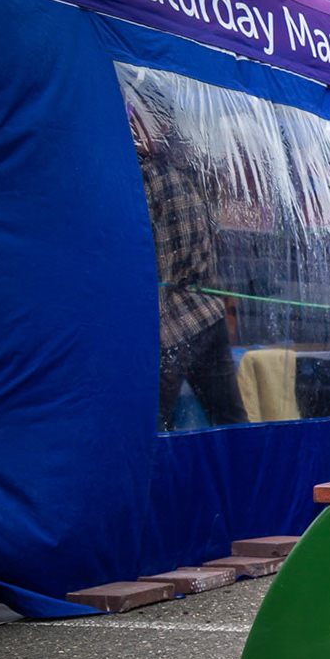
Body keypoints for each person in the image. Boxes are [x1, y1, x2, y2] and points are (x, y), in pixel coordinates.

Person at [128, 93, 247, 431]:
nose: (132, 126)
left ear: (160, 125)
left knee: (154, 429)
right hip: (208, 314)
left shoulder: (149, 179)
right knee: (230, 420)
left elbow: (156, 270)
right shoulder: (192, 169)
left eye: (138, 118)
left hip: (170, 327)